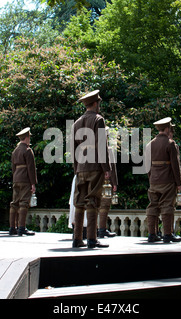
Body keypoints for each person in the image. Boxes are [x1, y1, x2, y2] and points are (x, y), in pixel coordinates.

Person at [71, 89, 111, 248]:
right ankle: (92, 239)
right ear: (95, 103)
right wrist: (106, 167)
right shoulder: (98, 120)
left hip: (81, 166)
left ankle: (77, 238)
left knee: (79, 202)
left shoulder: (76, 123)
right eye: (98, 103)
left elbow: (73, 149)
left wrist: (76, 168)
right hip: (95, 166)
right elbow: (102, 145)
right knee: (93, 201)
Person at [145, 117, 181, 243]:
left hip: (154, 181)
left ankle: (152, 234)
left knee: (153, 206)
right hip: (167, 180)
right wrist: (179, 183)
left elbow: (147, 166)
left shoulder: (150, 144)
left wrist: (151, 178)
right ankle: (167, 234)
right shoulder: (170, 143)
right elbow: (175, 165)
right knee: (167, 206)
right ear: (167, 128)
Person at [9, 127, 37, 236]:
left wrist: (15, 177)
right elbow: (31, 168)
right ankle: (22, 227)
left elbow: (13, 168)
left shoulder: (15, 151)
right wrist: (33, 183)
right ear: (26, 138)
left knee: (14, 203)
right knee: (24, 203)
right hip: (25, 179)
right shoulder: (27, 150)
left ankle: (12, 227)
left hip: (16, 178)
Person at [98, 128, 118, 239]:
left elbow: (113, 167)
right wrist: (114, 183)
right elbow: (112, 168)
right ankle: (101, 229)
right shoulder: (108, 149)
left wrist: (115, 183)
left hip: (98, 181)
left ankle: (99, 228)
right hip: (104, 182)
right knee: (104, 205)